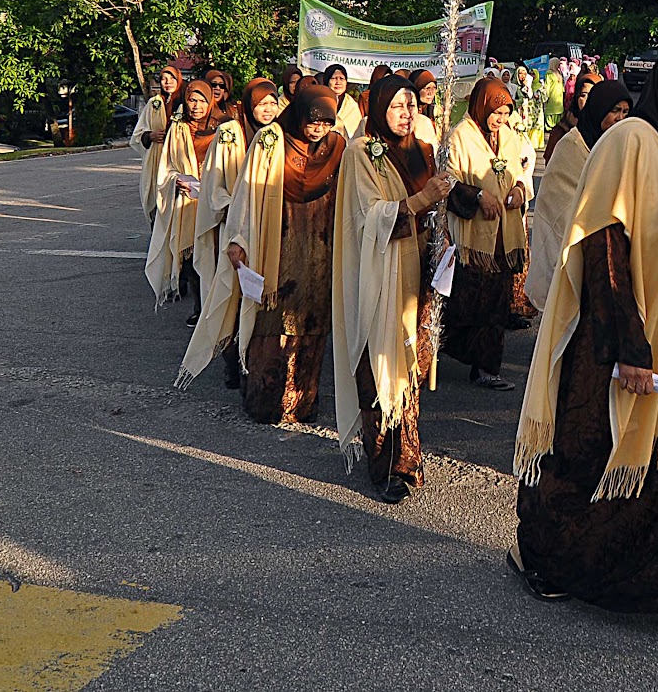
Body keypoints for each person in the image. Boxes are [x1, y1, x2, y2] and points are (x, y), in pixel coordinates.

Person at [511, 44, 658, 657]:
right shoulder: (631, 142)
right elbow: (604, 244)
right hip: (620, 338)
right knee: (594, 453)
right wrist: (628, 348)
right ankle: (548, 559)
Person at [332, 76, 453, 502]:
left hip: (416, 277)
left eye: (412, 106)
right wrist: (422, 199)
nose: (407, 114)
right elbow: (370, 217)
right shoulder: (361, 152)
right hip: (381, 276)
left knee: (410, 368)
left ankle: (407, 459)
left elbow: (439, 207)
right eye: (398, 107)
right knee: (380, 367)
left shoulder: (422, 151)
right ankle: (382, 466)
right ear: (380, 108)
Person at [197, 84, 346, 424]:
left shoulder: (337, 147)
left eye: (326, 122)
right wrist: (239, 239)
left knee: (311, 326)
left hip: (319, 249)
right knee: (272, 323)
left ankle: (302, 401)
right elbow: (248, 192)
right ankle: (266, 400)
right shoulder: (272, 140)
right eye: (313, 121)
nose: (318, 129)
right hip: (278, 243)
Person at [441, 77, 535, 390]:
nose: (501, 120)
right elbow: (448, 180)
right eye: (497, 113)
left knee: (497, 303)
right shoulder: (460, 137)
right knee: (468, 302)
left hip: (502, 237)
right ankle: (453, 350)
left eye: (506, 113)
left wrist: (520, 191)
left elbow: (520, 172)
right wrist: (479, 196)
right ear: (482, 108)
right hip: (474, 237)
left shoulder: (508, 136)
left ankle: (487, 368)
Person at [190, 78, 280, 381]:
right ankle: (230, 355)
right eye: (261, 104)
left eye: (272, 103)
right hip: (232, 224)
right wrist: (238, 206)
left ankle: (252, 358)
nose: (267, 110)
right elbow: (215, 182)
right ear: (249, 104)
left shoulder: (278, 135)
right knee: (233, 293)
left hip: (263, 227)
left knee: (256, 293)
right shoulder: (231, 133)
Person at [525, 80, 631, 312]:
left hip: (610, 253)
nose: (620, 118)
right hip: (578, 252)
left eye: (625, 112)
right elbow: (561, 208)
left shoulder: (620, 146)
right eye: (614, 111)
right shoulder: (571, 147)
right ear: (599, 109)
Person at [144, 80, 215, 314]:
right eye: (192, 100)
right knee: (191, 259)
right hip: (187, 202)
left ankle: (214, 309)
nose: (196, 106)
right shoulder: (179, 127)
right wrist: (177, 180)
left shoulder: (223, 128)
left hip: (215, 201)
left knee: (213, 257)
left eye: (202, 100)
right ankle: (199, 308)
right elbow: (168, 165)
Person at [129, 66, 183, 222]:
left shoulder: (184, 103)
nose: (168, 82)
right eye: (164, 79)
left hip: (177, 159)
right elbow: (138, 134)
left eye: (172, 78)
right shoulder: (154, 103)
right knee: (156, 198)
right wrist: (150, 135)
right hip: (157, 158)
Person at [545, 72, 602, 161]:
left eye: (592, 95)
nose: (587, 100)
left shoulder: (606, 128)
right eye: (583, 95)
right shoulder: (564, 127)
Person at [322, 64, 364, 136]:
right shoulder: (320, 100)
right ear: (327, 81)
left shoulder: (352, 105)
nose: (338, 82)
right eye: (334, 78)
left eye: (341, 78)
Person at [407, 68, 440, 148]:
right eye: (427, 88)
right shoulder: (407, 112)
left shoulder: (437, 111)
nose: (431, 93)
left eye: (434, 88)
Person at [542, 59, 565, 133]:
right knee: (551, 111)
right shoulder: (549, 73)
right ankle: (550, 127)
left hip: (559, 96)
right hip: (552, 95)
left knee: (558, 110)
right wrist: (546, 96)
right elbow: (547, 85)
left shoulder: (559, 72)